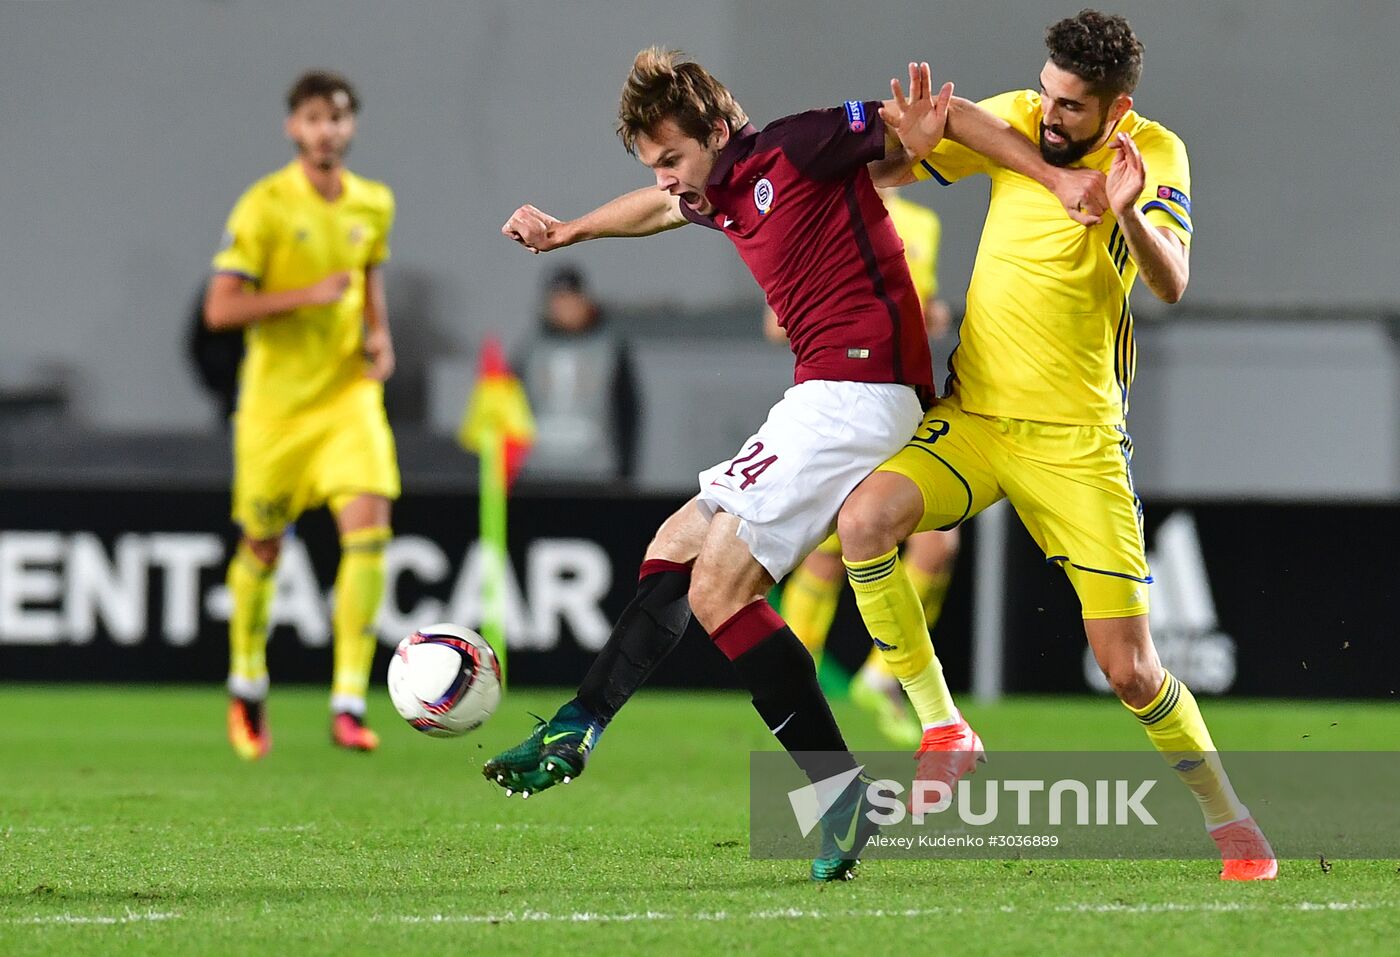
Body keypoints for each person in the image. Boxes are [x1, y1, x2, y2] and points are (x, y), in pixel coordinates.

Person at [485, 48, 1104, 881]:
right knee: (677, 546)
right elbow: (658, 209)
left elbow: (945, 119)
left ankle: (829, 792)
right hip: (825, 391)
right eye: (654, 164)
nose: (668, 179)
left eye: (673, 158)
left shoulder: (797, 146)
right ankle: (580, 721)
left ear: (715, 129)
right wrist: (568, 230)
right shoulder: (718, 190)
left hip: (861, 386)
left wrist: (1055, 180)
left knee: (718, 588)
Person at [834, 10, 1276, 880]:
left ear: (1117, 109)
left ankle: (1232, 821)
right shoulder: (1016, 122)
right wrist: (897, 149)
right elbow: (892, 171)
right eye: (1046, 91)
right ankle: (943, 725)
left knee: (1132, 670)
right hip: (977, 418)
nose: (1049, 113)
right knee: (864, 523)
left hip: (1077, 443)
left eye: (1071, 105)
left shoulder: (1153, 156)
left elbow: (1172, 281)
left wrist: (1128, 218)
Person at [204, 70, 398, 759]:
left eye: (339, 118)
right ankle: (248, 684)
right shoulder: (264, 205)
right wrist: (306, 294)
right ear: (294, 127)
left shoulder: (373, 203)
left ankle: (348, 700)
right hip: (276, 410)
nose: (328, 130)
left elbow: (370, 271)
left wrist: (379, 333)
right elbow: (220, 309)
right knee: (262, 546)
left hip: (346, 397)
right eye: (314, 118)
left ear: (351, 127)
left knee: (370, 527)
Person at [765, 186, 959, 747]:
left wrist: (928, 317)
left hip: (905, 401)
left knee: (934, 544)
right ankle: (798, 681)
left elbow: (917, 303)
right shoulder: (822, 213)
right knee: (830, 553)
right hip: (842, 402)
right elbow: (778, 323)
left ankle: (879, 674)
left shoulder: (923, 222)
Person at [515, 264, 640, 483]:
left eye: (571, 299)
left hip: (596, 471)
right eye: (559, 300)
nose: (566, 308)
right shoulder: (531, 350)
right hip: (538, 470)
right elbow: (513, 408)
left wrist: (625, 470)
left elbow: (627, 411)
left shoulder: (610, 348)